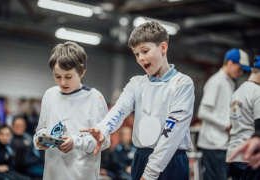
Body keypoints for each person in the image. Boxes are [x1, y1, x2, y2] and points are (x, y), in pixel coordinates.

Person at [82, 21, 195, 180]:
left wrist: (150, 173)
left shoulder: (182, 83)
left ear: (163, 48)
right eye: (136, 54)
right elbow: (119, 109)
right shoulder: (137, 83)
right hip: (141, 157)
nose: (140, 58)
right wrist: (103, 129)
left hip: (172, 159)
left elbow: (173, 133)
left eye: (145, 51)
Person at [33, 41, 110, 180]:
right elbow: (42, 128)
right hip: (52, 174)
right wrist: (39, 139)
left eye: (68, 77)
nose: (62, 82)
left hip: (81, 174)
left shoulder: (95, 98)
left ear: (82, 72)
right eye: (57, 76)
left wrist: (76, 142)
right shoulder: (49, 95)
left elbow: (104, 141)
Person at [197, 48, 250, 180]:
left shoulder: (229, 83)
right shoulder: (216, 82)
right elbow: (203, 112)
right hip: (212, 144)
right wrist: (226, 125)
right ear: (230, 63)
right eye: (240, 68)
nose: (241, 72)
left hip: (223, 143)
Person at [226, 56, 260, 179]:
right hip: (249, 155)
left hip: (233, 154)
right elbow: (259, 127)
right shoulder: (257, 92)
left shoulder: (237, 92)